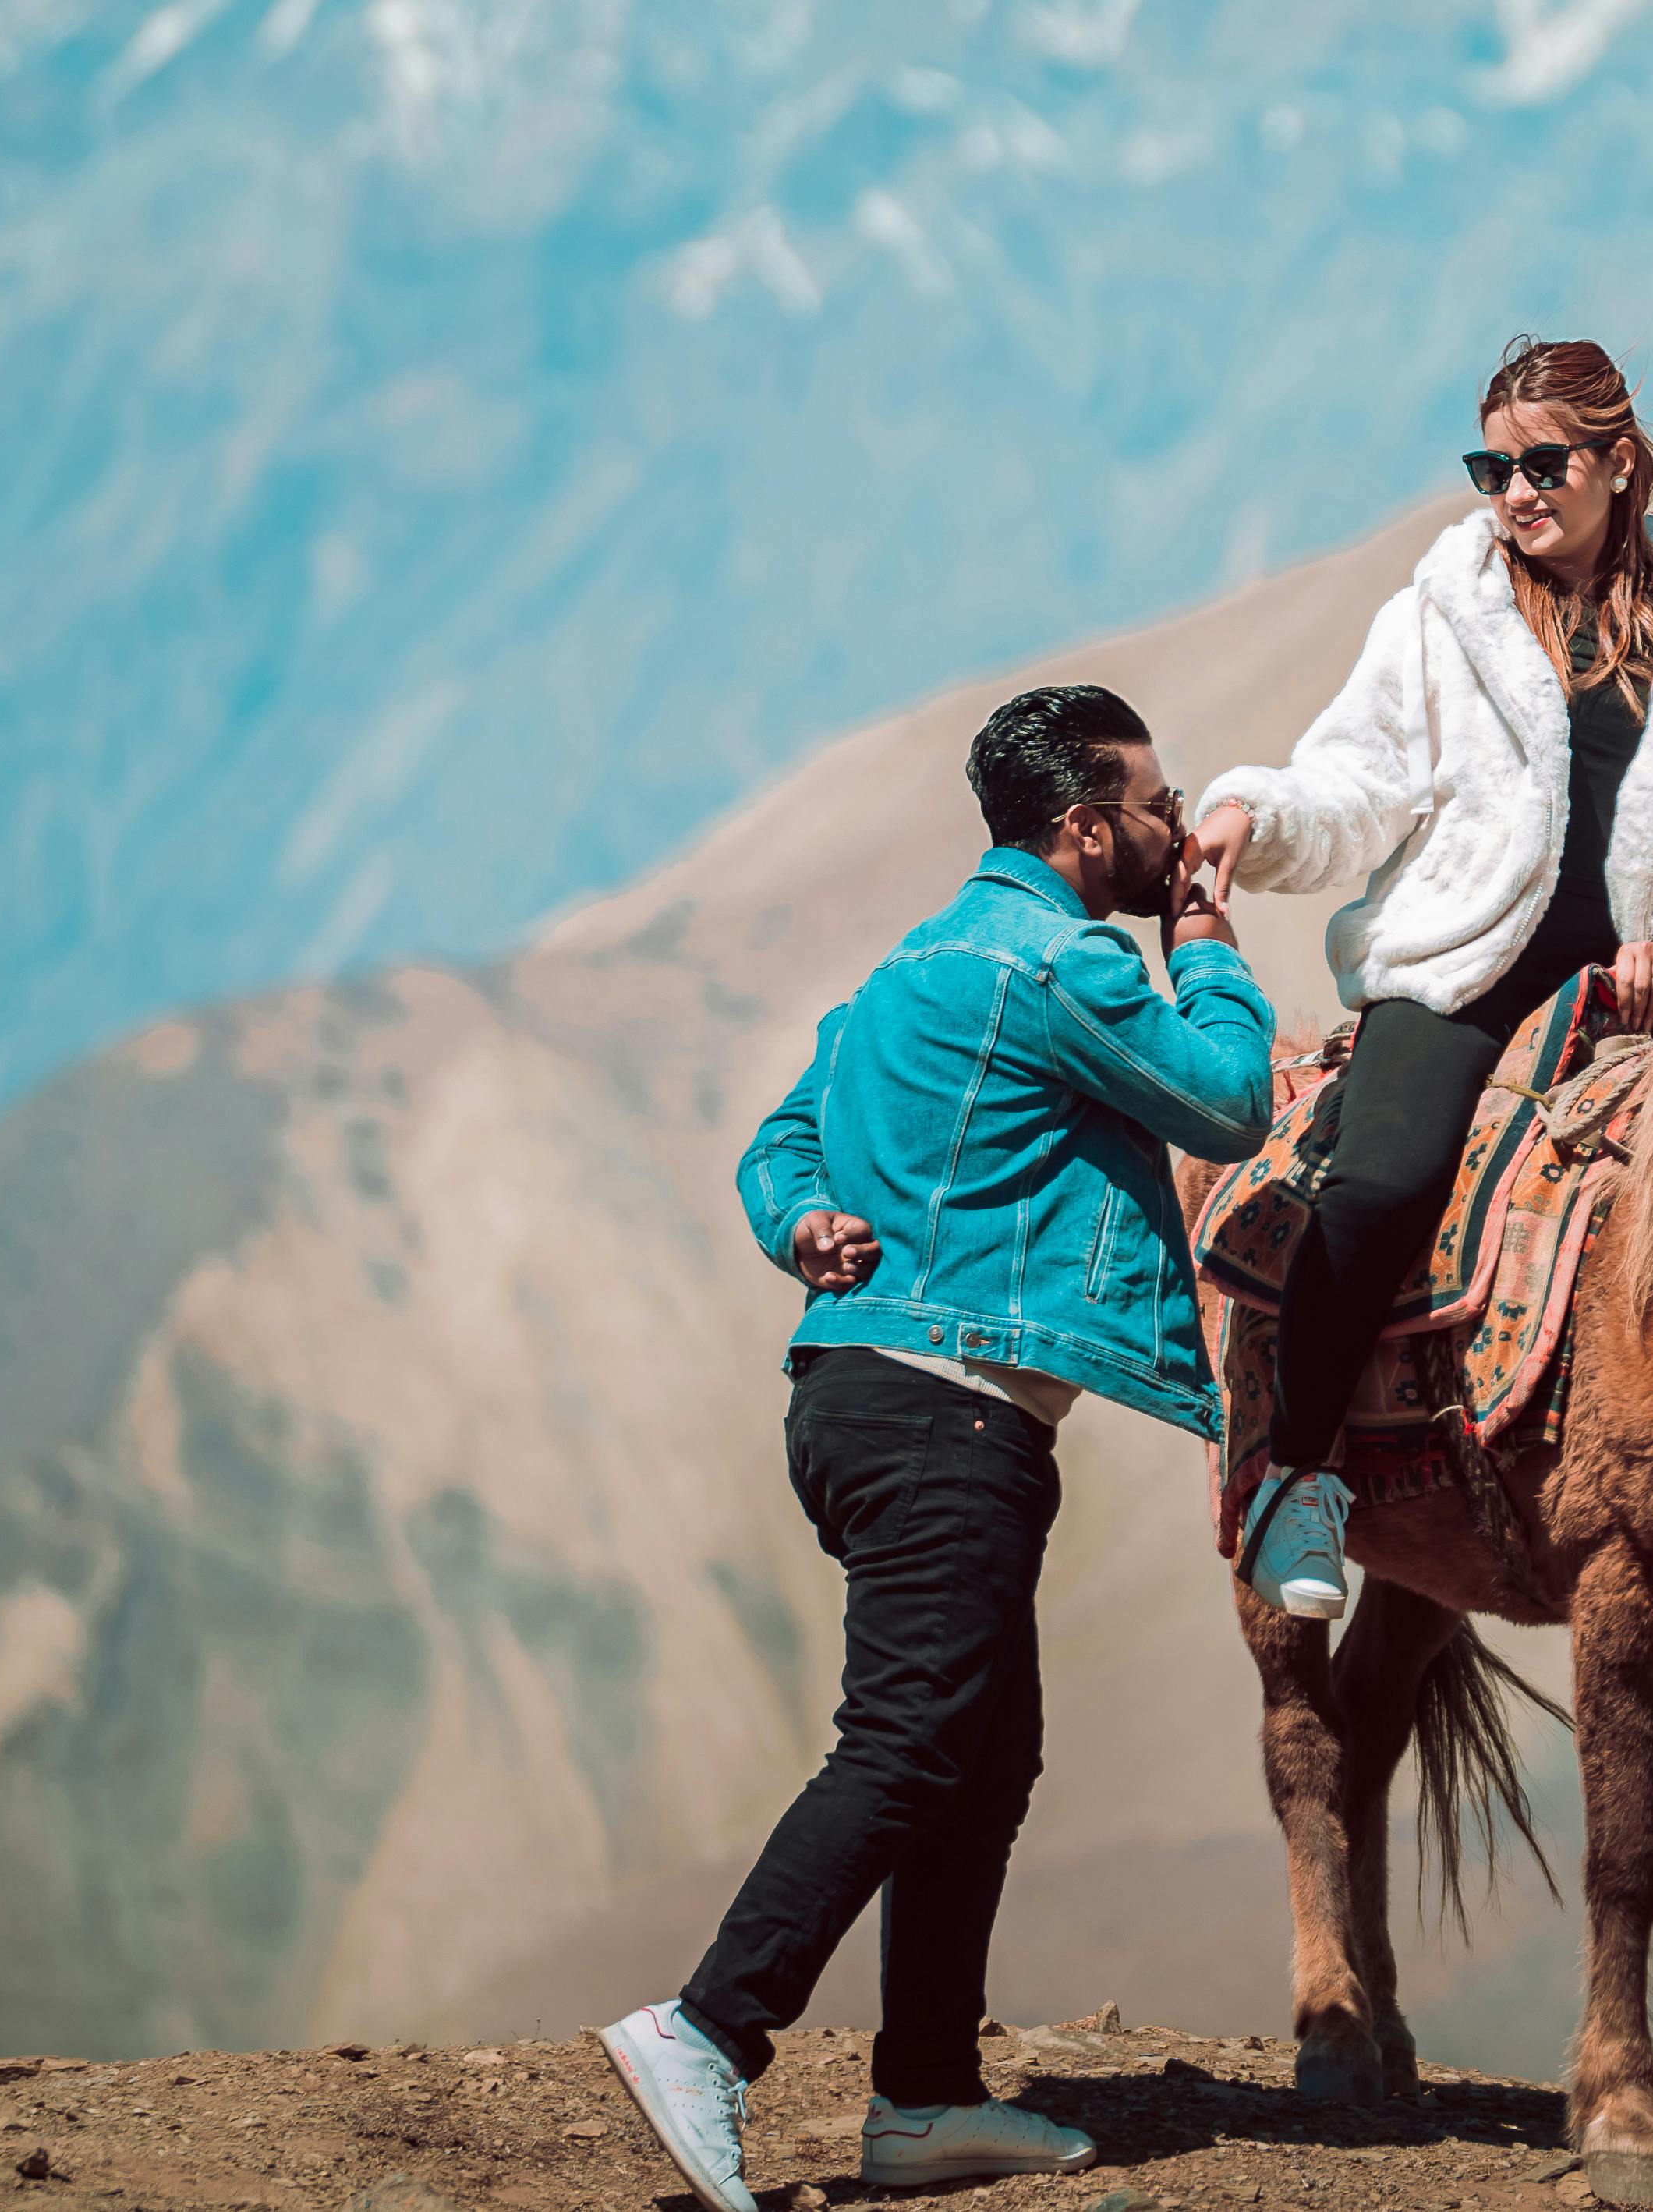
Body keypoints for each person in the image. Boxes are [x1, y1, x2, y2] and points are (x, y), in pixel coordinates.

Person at [600, 684, 1276, 2212]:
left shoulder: (909, 969)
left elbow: (781, 1138)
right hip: (945, 1413)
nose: (1175, 831)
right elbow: (1230, 1103)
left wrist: (802, 1221)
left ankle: (922, 2100)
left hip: (859, 1398)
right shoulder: (1062, 960)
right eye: (1157, 807)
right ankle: (708, 2028)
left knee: (983, 1750)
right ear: (1088, 829)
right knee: (913, 1737)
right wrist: (1206, 935)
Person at [1181, 335, 1653, 1620]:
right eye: (1492, 468)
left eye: (1543, 463)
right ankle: (1299, 1474)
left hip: (1639, 991)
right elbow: (1357, 782)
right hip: (1457, 976)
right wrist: (1257, 810)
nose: (1515, 491)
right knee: (1381, 1183)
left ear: (1617, 463)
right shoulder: (1439, 613)